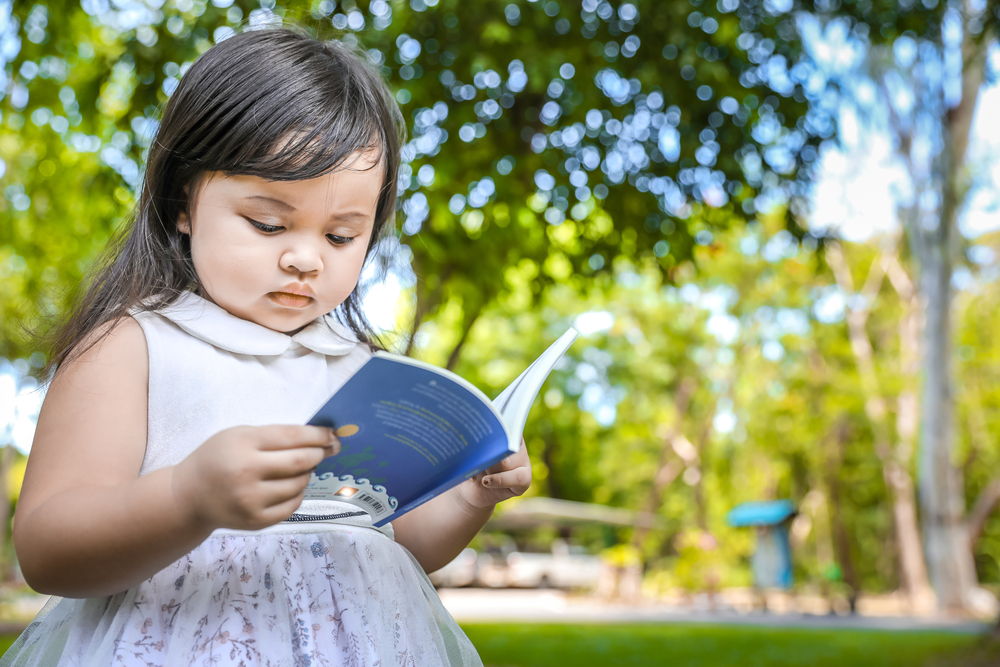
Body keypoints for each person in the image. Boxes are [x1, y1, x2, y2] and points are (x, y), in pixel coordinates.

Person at [3, 25, 531, 666]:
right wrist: (187, 497)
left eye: (342, 236)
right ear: (183, 203)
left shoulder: (355, 368)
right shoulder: (134, 347)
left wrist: (471, 494)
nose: (305, 257)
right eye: (268, 223)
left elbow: (398, 545)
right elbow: (47, 549)